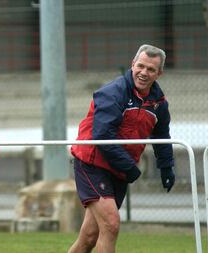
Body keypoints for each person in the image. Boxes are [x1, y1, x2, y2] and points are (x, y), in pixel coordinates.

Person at [68, 44, 175, 253]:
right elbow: (102, 136)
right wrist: (131, 168)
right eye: (141, 66)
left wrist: (167, 167)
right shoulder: (112, 93)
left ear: (159, 73)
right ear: (132, 64)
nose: (144, 73)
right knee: (111, 224)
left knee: (90, 236)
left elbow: (162, 136)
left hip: (119, 169)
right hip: (93, 162)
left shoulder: (159, 104)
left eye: (151, 69)